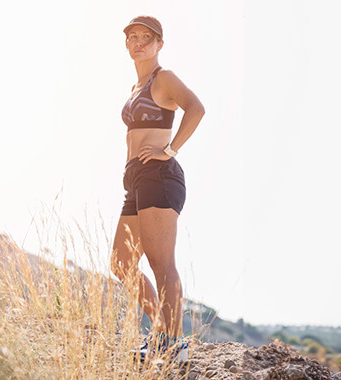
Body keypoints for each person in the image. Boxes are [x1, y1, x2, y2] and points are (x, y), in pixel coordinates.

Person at [110, 15, 205, 362]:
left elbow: (196, 108)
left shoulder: (163, 78)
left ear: (159, 44)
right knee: (121, 263)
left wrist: (170, 149)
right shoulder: (136, 87)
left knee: (161, 262)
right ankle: (162, 331)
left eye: (145, 38)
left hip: (159, 176)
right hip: (135, 179)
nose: (137, 43)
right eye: (132, 37)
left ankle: (174, 343)